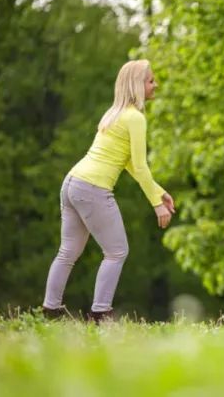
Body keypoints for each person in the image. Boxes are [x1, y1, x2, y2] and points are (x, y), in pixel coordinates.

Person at [42, 59, 175, 322]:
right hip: (93, 188)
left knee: (68, 252)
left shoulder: (113, 113)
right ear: (137, 85)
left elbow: (129, 164)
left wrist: (159, 192)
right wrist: (156, 204)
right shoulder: (135, 118)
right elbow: (140, 164)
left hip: (72, 182)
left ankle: (50, 310)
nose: (155, 85)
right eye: (151, 81)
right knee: (116, 252)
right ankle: (100, 313)